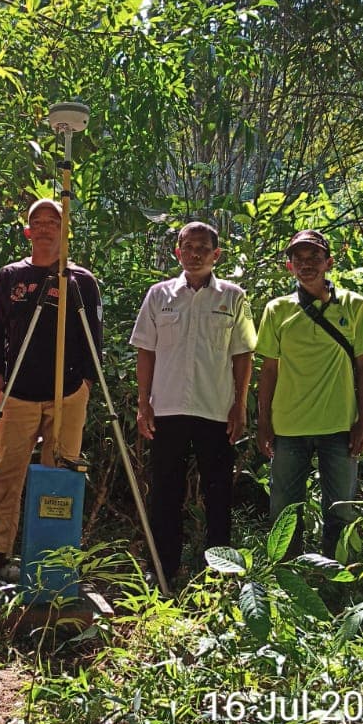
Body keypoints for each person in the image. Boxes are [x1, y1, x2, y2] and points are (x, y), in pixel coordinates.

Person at [0, 198, 102, 583]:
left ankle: (51, 554)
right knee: (6, 471)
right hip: (18, 389)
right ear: (28, 230)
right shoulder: (10, 277)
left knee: (59, 471)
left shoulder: (81, 280)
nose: (45, 227)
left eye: (53, 221)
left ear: (64, 229)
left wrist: (86, 384)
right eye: (38, 221)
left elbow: (94, 335)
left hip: (68, 390)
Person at [130, 221, 257, 585]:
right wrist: (144, 403)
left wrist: (240, 404)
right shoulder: (159, 295)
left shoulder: (233, 297)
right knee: (165, 494)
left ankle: (220, 573)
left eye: (203, 247)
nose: (195, 253)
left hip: (216, 410)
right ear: (177, 252)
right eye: (188, 247)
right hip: (166, 410)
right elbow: (146, 351)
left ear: (217, 254)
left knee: (218, 493)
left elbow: (243, 354)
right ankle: (163, 569)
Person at [256, 229, 363, 557]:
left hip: (339, 426)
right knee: (284, 512)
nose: (306, 264)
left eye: (314, 257)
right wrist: (263, 422)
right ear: (289, 266)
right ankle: (287, 575)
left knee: (339, 510)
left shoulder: (354, 305)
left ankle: (336, 580)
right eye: (299, 258)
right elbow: (269, 371)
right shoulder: (277, 310)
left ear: (329, 262)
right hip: (288, 427)